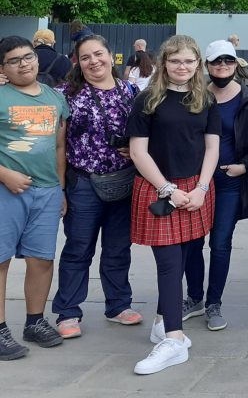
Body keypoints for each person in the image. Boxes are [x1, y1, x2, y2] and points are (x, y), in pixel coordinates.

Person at [127, 35, 219, 375]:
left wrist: (201, 188)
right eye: (176, 60)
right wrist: (167, 189)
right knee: (168, 262)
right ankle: (175, 340)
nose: (182, 67)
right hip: (157, 189)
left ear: (198, 64)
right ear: (164, 62)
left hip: (194, 189)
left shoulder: (205, 99)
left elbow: (212, 148)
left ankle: (163, 321)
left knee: (181, 259)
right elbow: (138, 152)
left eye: (189, 61)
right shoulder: (148, 99)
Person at [52, 34, 142, 340]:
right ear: (77, 61)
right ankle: (68, 311)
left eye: (99, 54)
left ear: (110, 55)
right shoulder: (65, 93)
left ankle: (118, 305)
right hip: (83, 183)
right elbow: (56, 142)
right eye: (86, 56)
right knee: (78, 249)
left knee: (118, 249)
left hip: (124, 181)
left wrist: (138, 149)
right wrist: (60, 188)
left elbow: (146, 131)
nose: (94, 61)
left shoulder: (129, 90)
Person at [182, 40, 248, 332]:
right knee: (192, 242)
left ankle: (214, 302)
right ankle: (194, 297)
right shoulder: (194, 98)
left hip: (230, 181)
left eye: (228, 62)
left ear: (236, 65)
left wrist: (245, 166)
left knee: (220, 243)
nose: (222, 67)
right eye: (216, 62)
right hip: (197, 182)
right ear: (207, 66)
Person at [0, 35, 69, 360]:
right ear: (4, 67)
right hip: (6, 190)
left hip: (46, 191)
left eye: (27, 57)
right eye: (14, 60)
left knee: (41, 260)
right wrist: (4, 174)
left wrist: (61, 188)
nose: (23, 64)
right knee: (0, 262)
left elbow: (59, 146)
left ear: (37, 58)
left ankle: (35, 321)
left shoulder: (55, 99)